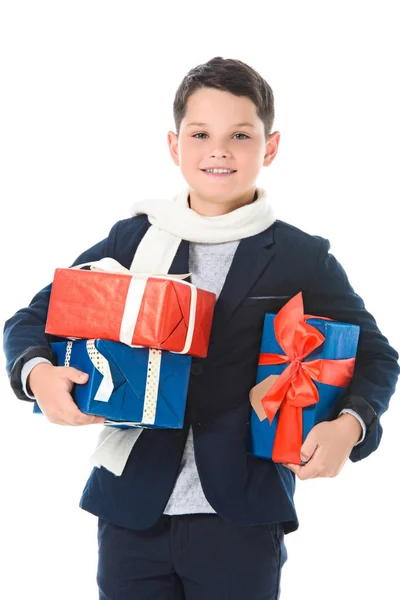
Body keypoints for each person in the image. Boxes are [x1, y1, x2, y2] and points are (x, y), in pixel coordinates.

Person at [3, 56, 400, 600]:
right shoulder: (132, 241)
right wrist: (38, 373)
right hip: (131, 510)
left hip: (241, 512)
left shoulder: (299, 256)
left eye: (240, 133)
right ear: (174, 146)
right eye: (200, 134)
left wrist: (349, 425)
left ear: (271, 146)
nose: (219, 149)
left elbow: (378, 355)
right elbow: (34, 318)